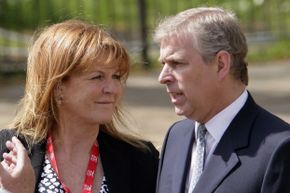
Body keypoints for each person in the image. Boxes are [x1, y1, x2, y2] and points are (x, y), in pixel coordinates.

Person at [0, 19, 159, 193]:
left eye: (116, 76)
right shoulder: (8, 152)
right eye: (97, 77)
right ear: (58, 86)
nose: (112, 89)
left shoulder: (140, 159)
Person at [153, 7, 290, 193]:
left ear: (221, 64)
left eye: (176, 63)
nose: (163, 77)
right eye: (163, 64)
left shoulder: (279, 149)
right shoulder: (176, 136)